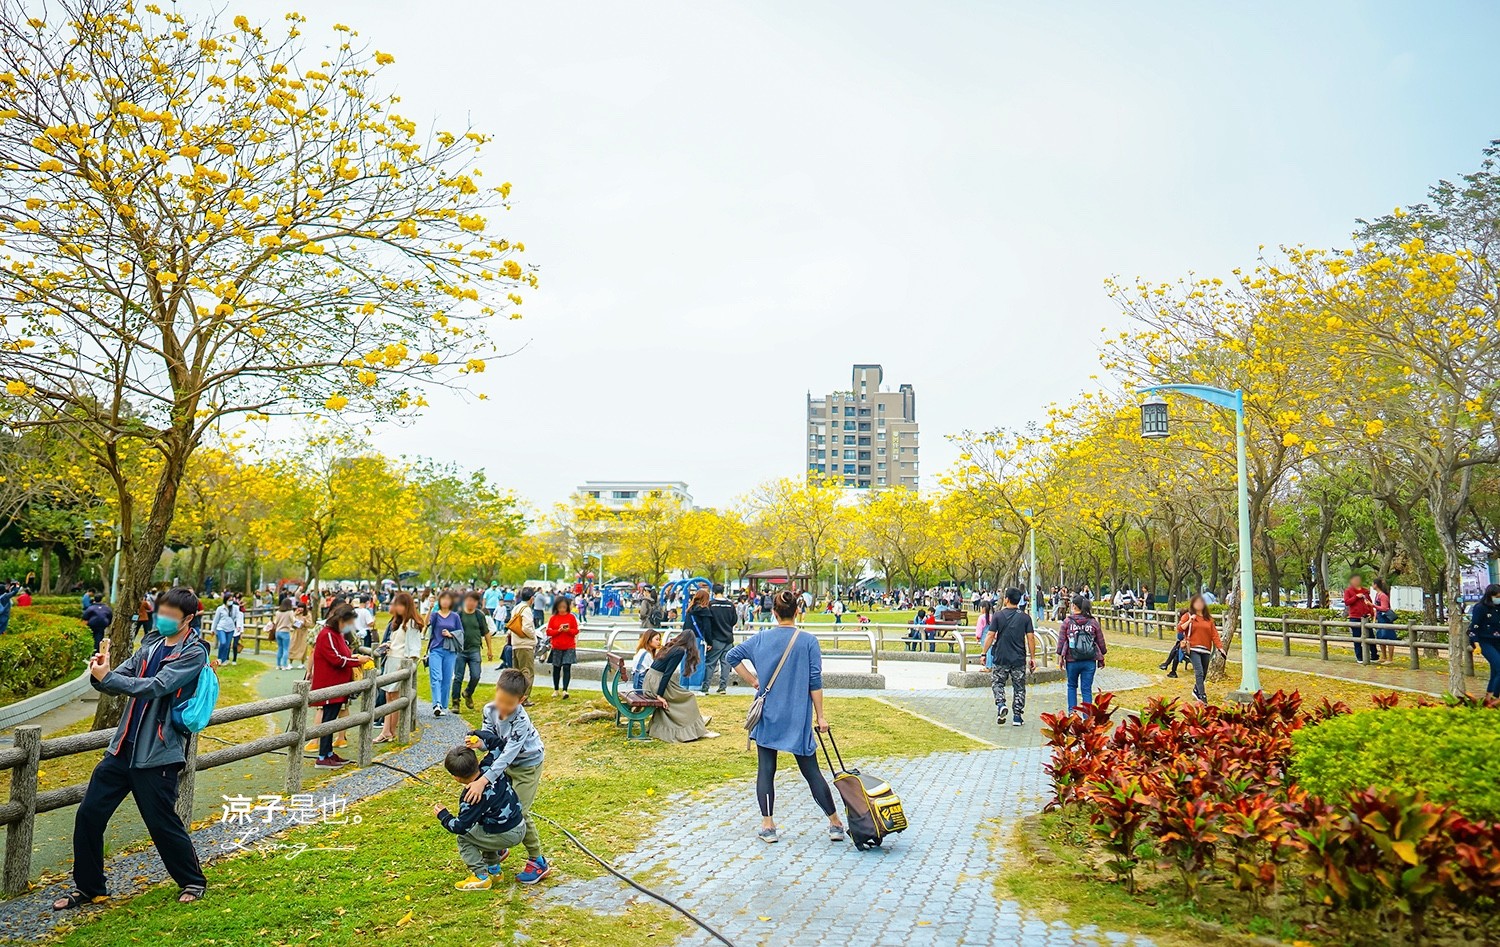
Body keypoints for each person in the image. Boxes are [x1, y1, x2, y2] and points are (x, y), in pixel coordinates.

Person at [54, 587, 209, 910]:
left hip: (158, 752)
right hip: (122, 747)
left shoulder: (194, 652)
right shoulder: (150, 644)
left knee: (162, 823)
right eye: (161, 611)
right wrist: (100, 673)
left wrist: (109, 677)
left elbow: (156, 687)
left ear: (189, 618)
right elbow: (120, 677)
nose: (163, 618)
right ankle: (89, 887)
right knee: (89, 815)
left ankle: (192, 880)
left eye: (170, 615)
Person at [726, 588, 847, 844]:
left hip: (768, 713)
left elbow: (732, 656)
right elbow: (815, 682)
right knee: (811, 771)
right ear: (797, 611)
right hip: (797, 716)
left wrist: (754, 682)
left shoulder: (761, 639)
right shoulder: (808, 641)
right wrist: (821, 716)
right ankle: (835, 822)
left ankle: (768, 825)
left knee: (766, 770)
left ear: (773, 612)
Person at [462, 669, 551, 884]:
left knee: (518, 810)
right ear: (496, 691)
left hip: (526, 766)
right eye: (499, 700)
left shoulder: (521, 720)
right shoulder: (489, 710)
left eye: (509, 704)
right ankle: (496, 847)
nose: (502, 707)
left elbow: (508, 755)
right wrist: (479, 743)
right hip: (504, 764)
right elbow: (492, 744)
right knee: (494, 804)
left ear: (521, 700)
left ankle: (538, 861)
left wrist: (483, 781)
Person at [434, 745, 527, 890]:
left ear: (456, 778)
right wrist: (478, 737)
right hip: (519, 824)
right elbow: (498, 747)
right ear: (477, 761)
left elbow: (460, 827)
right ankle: (494, 871)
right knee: (480, 830)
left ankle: (481, 876)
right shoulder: (491, 768)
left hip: (506, 834)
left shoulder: (471, 796)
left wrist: (444, 816)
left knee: (464, 838)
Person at [311, 603, 370, 767]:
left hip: (339, 685)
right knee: (328, 720)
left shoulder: (337, 634)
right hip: (329, 685)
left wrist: (354, 658)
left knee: (332, 720)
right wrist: (357, 660)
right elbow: (336, 659)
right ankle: (323, 756)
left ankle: (328, 752)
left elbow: (344, 654)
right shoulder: (327, 634)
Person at [645, 627, 717, 742]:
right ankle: (695, 727)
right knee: (688, 697)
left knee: (680, 694)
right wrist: (659, 696)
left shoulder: (671, 646)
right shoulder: (679, 651)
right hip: (656, 682)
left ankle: (696, 723)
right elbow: (667, 674)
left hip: (651, 680)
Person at [980, 588, 1037, 728]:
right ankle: (1017, 716)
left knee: (998, 683)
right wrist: (1033, 657)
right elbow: (1030, 638)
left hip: (1001, 656)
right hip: (1018, 658)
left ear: (1007, 599)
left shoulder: (998, 616)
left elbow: (990, 635)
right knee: (1019, 687)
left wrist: (983, 653)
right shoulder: (1025, 618)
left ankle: (1001, 705)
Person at [376, 591, 425, 743]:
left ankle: (387, 731)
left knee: (393, 697)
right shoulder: (398, 622)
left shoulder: (411, 623)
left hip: (399, 662)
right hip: (391, 659)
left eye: (399, 605)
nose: (396, 608)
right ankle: (389, 731)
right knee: (389, 696)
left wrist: (405, 666)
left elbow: (414, 649)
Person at [1057, 594, 1106, 712]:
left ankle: (1072, 713)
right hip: (1089, 660)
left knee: (1072, 686)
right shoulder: (1093, 622)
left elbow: (1061, 641)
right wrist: (1102, 654)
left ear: (1074, 606)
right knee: (1086, 689)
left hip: (1071, 659)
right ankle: (1087, 717)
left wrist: (1060, 657)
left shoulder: (1067, 622)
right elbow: (1100, 641)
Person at [1176, 594, 1222, 703]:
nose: (1199, 604)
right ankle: (1202, 695)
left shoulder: (1208, 619)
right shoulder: (1188, 615)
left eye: (1201, 602)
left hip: (1206, 648)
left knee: (1204, 672)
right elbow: (1179, 628)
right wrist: (1190, 621)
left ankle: (1196, 689)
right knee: (1199, 671)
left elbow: (1214, 634)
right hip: (1193, 648)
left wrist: (1220, 647)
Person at [453, 592, 494, 711]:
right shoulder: (459, 615)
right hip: (460, 650)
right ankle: (455, 702)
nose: (471, 603)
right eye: (469, 600)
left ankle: (468, 693)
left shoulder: (479, 615)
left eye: (474, 601)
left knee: (476, 675)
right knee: (458, 677)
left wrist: (489, 649)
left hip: (475, 649)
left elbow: (486, 633)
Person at [425, 590, 463, 717]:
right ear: (439, 601)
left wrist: (450, 634)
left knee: (447, 679)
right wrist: (429, 609)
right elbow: (426, 624)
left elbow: (461, 633)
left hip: (450, 651)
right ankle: (436, 704)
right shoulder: (435, 615)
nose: (445, 601)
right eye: (443, 599)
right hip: (436, 649)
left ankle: (442, 704)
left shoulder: (455, 616)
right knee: (436, 677)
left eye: (448, 599)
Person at [702, 583, 739, 694]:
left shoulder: (711, 605)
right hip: (728, 638)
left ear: (713, 592)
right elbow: (734, 621)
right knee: (726, 664)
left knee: (710, 664)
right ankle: (723, 687)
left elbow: (707, 623)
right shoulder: (730, 605)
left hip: (715, 639)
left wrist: (708, 640)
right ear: (723, 591)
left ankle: (706, 687)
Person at [505, 587, 539, 705]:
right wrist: (533, 637)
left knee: (517, 673)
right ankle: (524, 698)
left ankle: (515, 696)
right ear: (532, 598)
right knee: (527, 671)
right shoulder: (527, 610)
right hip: (525, 645)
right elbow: (526, 628)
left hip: (515, 644)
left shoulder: (516, 608)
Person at [1469, 583, 1500, 698]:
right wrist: (1477, 645)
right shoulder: (1480, 608)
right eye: (1497, 596)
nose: (1499, 599)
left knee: (1496, 671)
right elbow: (1474, 628)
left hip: (1498, 641)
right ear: (1490, 595)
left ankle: (1489, 697)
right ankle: (1495, 698)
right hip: (1484, 641)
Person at [545, 596, 579, 698]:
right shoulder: (553, 618)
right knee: (556, 668)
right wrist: (558, 631)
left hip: (569, 646)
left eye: (564, 607)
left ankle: (565, 689)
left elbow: (576, 631)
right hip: (557, 646)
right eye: (560, 607)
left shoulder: (571, 617)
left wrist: (568, 630)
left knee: (567, 667)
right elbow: (548, 632)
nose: (562, 609)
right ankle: (556, 689)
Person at [1343, 574, 1374, 662]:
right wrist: (1356, 597)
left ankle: (1374, 655)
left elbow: (1369, 602)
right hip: (1355, 617)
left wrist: (1371, 613)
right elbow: (1347, 602)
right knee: (1357, 638)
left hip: (1365, 617)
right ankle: (1359, 657)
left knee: (1371, 637)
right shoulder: (1348, 591)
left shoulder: (1365, 591)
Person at [1372, 578, 1397, 666]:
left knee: (1389, 637)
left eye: (1373, 583)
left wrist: (1373, 605)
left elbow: (1384, 608)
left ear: (1376, 585)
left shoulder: (1383, 595)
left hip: (1385, 618)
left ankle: (1390, 658)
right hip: (1380, 618)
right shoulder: (1377, 595)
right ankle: (1384, 656)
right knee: (1380, 637)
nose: (1372, 585)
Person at [210, 595, 240, 665]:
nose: (230, 602)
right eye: (229, 600)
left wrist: (238, 626)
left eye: (232, 600)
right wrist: (213, 629)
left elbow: (238, 617)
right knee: (223, 642)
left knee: (227, 645)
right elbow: (216, 619)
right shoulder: (220, 609)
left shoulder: (235, 608)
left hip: (231, 628)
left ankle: (224, 659)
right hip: (221, 628)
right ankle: (219, 658)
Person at [269, 597, 296, 671]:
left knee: (280, 648)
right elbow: (293, 620)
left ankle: (278, 665)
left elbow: (275, 622)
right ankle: (284, 665)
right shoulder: (290, 612)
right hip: (285, 631)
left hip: (278, 632)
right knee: (285, 649)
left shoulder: (278, 612)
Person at [1159, 610, 1186, 678]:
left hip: (1188, 645)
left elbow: (1180, 636)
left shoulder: (1186, 623)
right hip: (1186, 643)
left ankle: (1170, 668)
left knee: (1176, 650)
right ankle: (1167, 665)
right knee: (1176, 647)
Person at [289, 603, 311, 669]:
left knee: (303, 647)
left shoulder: (308, 614)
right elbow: (291, 621)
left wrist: (305, 620)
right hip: (296, 632)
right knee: (293, 646)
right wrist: (295, 615)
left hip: (303, 632)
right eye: (299, 607)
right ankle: (290, 662)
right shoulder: (295, 613)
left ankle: (302, 663)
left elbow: (309, 624)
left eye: (302, 607)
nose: (300, 609)